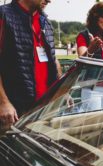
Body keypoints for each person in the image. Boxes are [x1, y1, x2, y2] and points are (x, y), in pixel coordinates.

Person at [0, 0, 62, 131]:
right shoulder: (3, 15)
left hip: (44, 110)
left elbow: (53, 60)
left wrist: (62, 90)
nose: (50, 0)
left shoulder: (45, 21)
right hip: (14, 112)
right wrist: (3, 102)